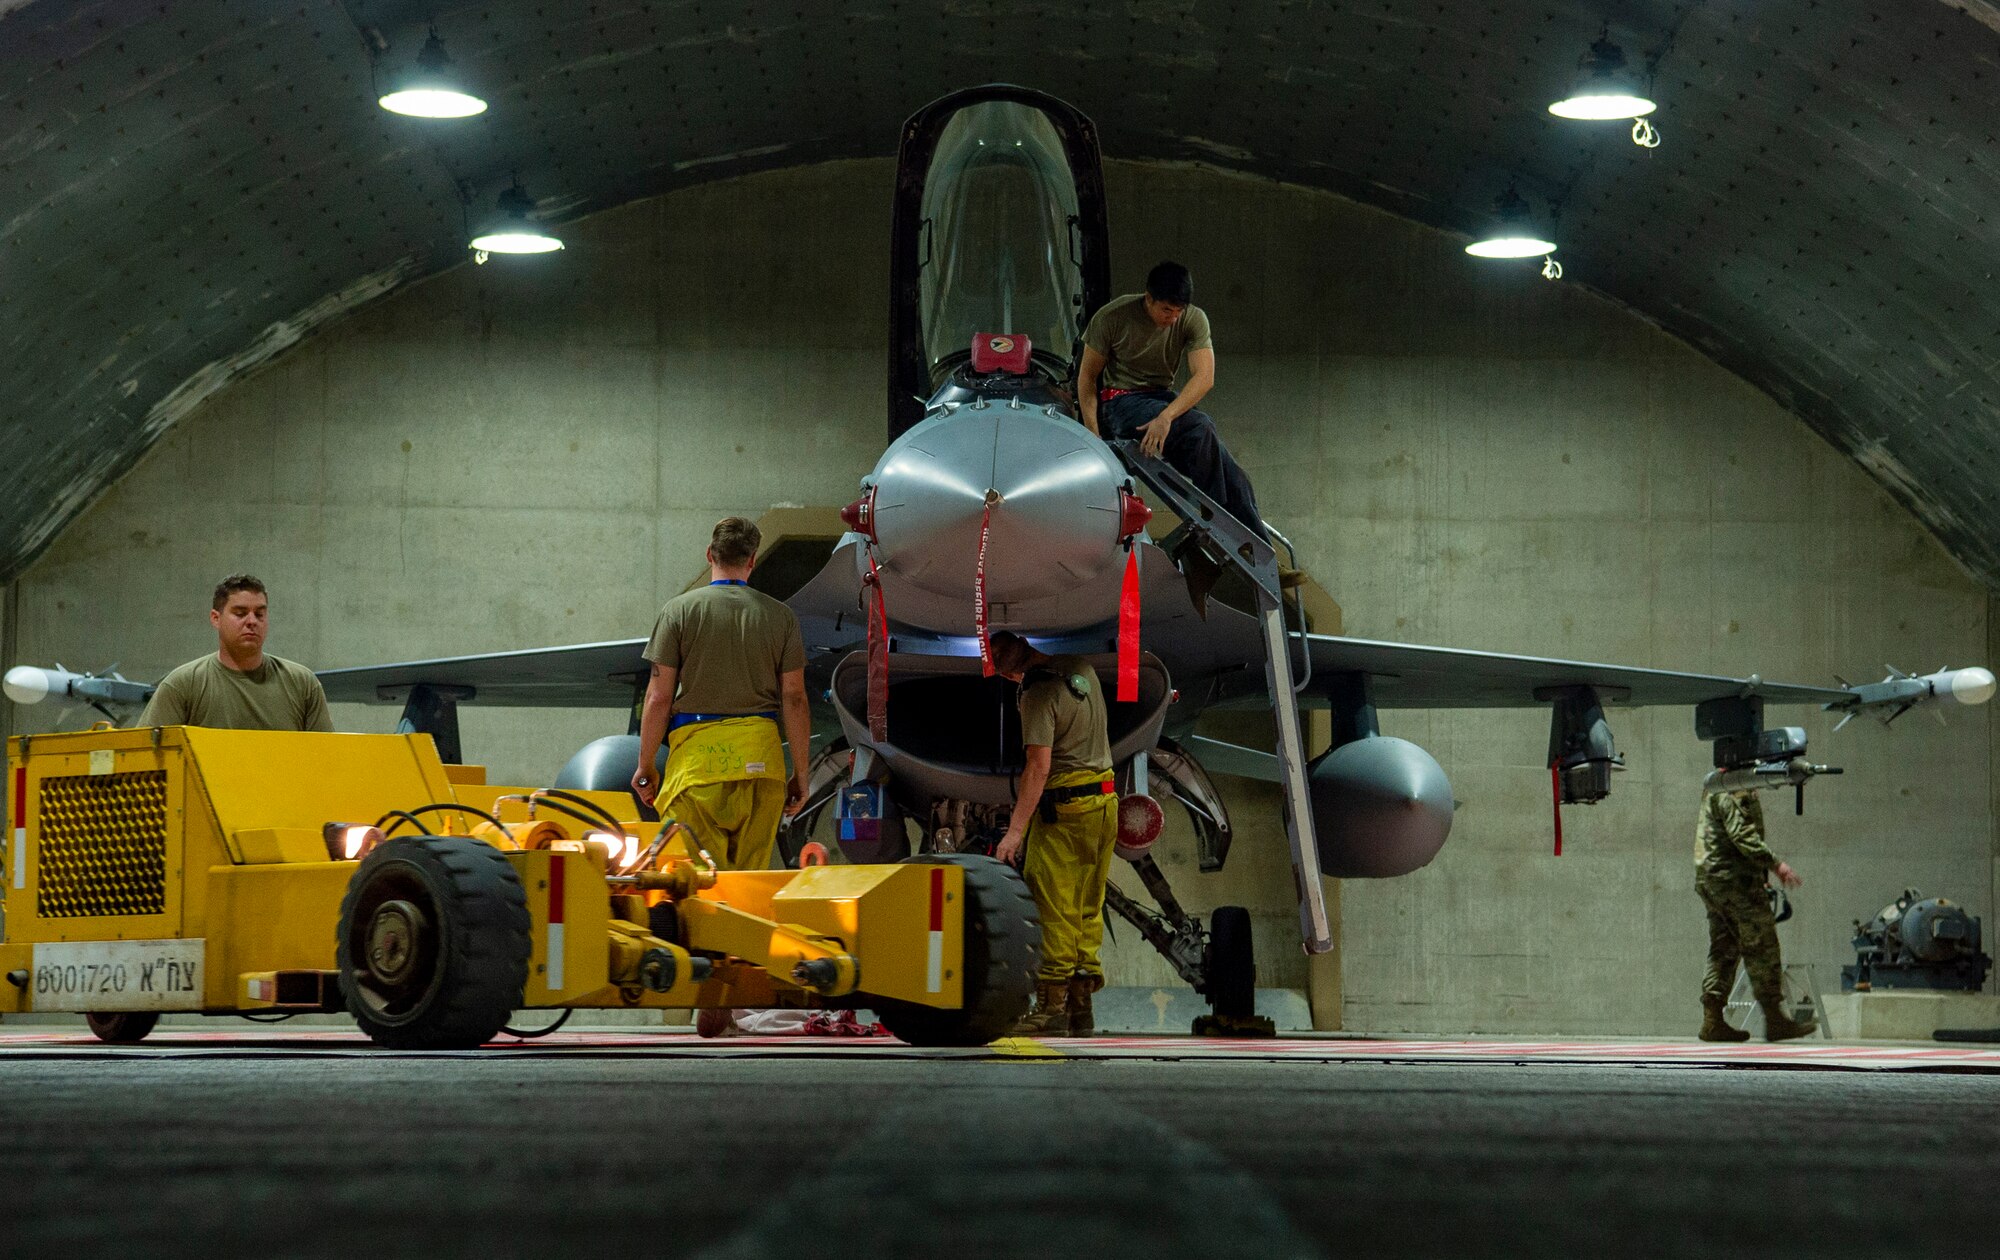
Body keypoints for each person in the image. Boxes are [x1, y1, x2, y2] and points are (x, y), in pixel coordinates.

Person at [1076, 260, 1302, 601]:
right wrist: (1093, 437)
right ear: (1148, 299)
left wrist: (1166, 416)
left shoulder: (1192, 318)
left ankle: (1260, 554)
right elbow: (1087, 378)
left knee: (1235, 475)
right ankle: (1223, 529)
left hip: (1159, 403)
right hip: (1119, 404)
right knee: (1199, 425)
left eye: (1178, 311)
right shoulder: (1112, 317)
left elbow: (1204, 377)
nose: (1173, 318)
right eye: (1166, 310)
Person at [630, 517, 812, 872]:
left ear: (709, 554)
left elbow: (658, 698)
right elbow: (794, 698)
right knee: (748, 888)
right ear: (752, 561)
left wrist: (646, 765)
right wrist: (800, 775)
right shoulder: (782, 618)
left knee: (701, 889)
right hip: (762, 769)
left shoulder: (678, 612)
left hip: (698, 770)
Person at [989, 631, 1118, 1036]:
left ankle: (1052, 1009)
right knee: (1086, 907)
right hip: (1105, 803)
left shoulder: (1037, 695)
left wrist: (1014, 832)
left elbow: (1038, 768)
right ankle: (1082, 1009)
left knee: (1053, 908)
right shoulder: (1081, 669)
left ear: (1008, 674)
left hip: (1065, 811)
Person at [1695, 788, 1816, 1042]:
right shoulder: (1733, 789)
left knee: (1724, 948)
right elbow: (1741, 834)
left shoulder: (1718, 785)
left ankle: (1712, 1021)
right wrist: (1776, 865)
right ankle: (1774, 1020)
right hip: (1733, 881)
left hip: (1714, 879)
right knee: (1762, 945)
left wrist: (1760, 877)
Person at [139, 574, 333, 732]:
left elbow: (327, 758)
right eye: (240, 613)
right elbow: (145, 757)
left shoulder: (303, 684)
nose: (251, 621)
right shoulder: (183, 685)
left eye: (259, 614)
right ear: (216, 618)